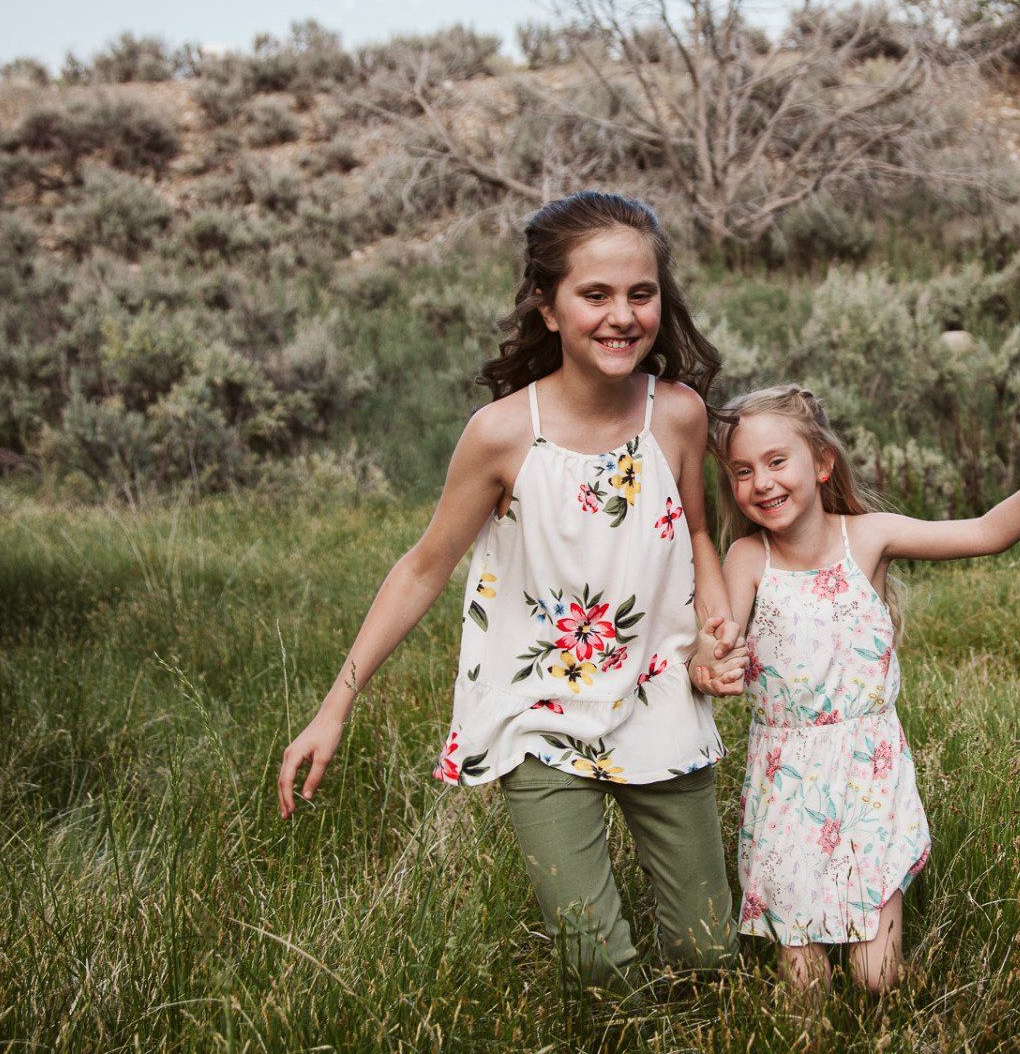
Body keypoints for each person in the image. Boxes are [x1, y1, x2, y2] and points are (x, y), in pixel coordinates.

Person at [277, 190, 748, 991]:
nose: (622, 315)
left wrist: (715, 627)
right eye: (594, 295)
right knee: (596, 964)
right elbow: (423, 567)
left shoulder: (676, 415)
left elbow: (698, 532)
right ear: (548, 306)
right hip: (537, 706)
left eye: (641, 293)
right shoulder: (500, 433)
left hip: (659, 691)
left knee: (708, 955)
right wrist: (334, 707)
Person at [714, 385, 1020, 993]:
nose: (761, 482)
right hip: (787, 782)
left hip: (870, 775)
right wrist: (714, 659)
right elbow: (722, 637)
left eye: (776, 462)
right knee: (806, 994)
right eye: (743, 471)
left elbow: (984, 532)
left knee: (876, 979)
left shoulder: (867, 538)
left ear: (821, 463)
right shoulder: (746, 556)